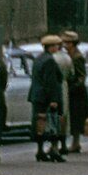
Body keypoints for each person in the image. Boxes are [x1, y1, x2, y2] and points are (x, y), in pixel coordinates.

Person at [29, 34, 68, 162]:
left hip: (37, 95)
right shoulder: (50, 61)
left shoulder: (38, 59)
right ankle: (54, 149)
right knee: (53, 123)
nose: (58, 47)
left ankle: (40, 150)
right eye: (56, 45)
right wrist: (54, 100)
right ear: (50, 47)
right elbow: (51, 82)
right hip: (47, 97)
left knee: (39, 123)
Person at [62, 32, 88, 155]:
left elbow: (81, 76)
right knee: (73, 117)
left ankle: (76, 142)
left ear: (72, 44)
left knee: (76, 117)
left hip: (77, 92)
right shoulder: (69, 55)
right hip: (73, 90)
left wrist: (72, 87)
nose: (65, 45)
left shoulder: (77, 57)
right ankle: (75, 142)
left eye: (67, 43)